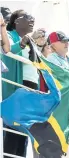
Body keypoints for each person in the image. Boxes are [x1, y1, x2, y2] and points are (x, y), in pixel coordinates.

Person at [2, 9, 39, 158]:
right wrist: (22, 43)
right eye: (28, 17)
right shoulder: (9, 35)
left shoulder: (29, 40)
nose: (32, 20)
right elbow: (8, 50)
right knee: (13, 130)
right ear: (16, 21)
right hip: (16, 87)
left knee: (24, 132)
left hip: (29, 88)